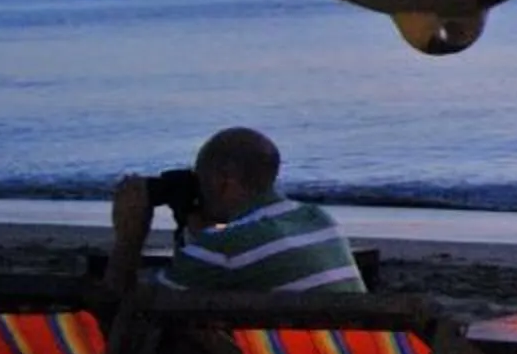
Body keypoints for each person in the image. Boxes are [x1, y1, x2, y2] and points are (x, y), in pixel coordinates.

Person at [109, 127, 364, 297]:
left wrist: (129, 236)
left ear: (224, 181)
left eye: (201, 177)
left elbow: (135, 312)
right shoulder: (318, 219)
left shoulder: (222, 249)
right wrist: (197, 233)